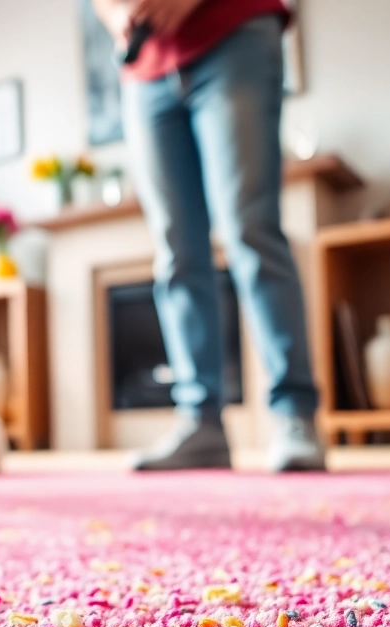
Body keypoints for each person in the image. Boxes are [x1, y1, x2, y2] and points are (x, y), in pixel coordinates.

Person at [93, 0, 325, 472]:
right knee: (175, 249)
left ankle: (294, 414)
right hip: (146, 74)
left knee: (251, 228)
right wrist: (117, 16)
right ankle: (201, 422)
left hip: (233, 33)